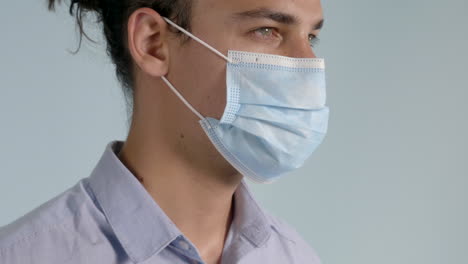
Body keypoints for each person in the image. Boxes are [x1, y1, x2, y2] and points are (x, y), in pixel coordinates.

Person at [0, 0, 329, 263]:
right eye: (266, 30)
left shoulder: (296, 256)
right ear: (153, 42)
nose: (308, 64)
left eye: (311, 37)